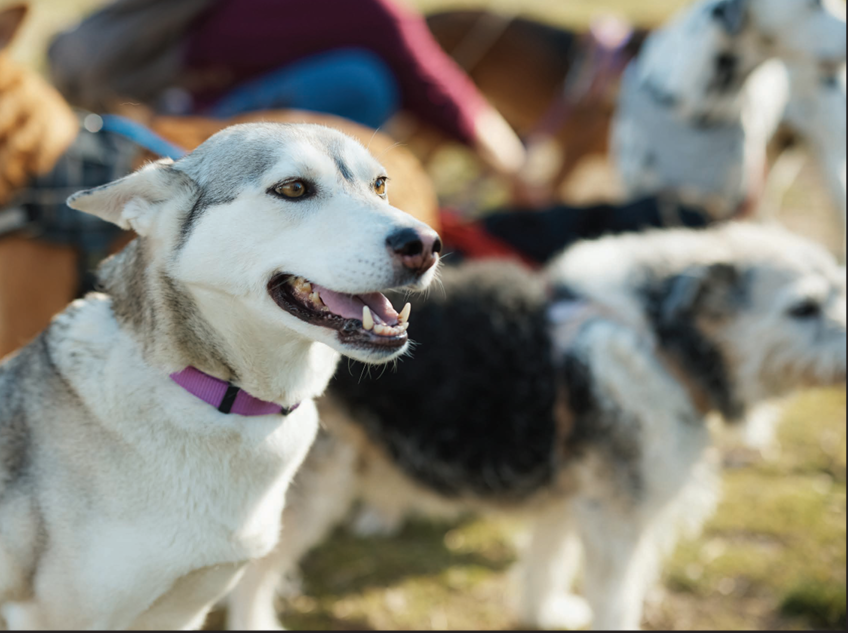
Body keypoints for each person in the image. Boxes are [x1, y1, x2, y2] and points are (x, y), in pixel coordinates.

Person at [48, 0, 526, 177]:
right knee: (362, 85)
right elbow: (433, 84)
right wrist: (518, 171)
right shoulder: (368, 10)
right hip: (178, 128)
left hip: (154, 104)